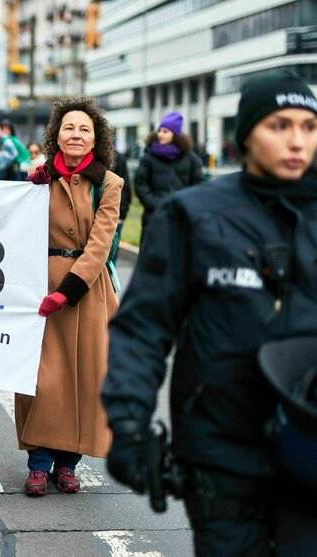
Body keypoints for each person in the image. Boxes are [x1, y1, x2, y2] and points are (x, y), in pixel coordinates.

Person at [103, 70, 317, 556]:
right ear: (246, 134)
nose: (297, 140)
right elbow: (143, 330)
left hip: (309, 451)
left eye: (308, 126)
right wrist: (129, 425)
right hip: (221, 454)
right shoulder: (193, 215)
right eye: (279, 125)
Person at [17, 96, 123, 496]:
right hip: (39, 285)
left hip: (87, 292)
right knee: (43, 379)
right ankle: (38, 464)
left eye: (84, 129)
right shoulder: (38, 179)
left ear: (96, 139)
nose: (76, 134)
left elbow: (100, 244)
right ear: (56, 136)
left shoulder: (110, 184)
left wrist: (68, 292)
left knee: (81, 379)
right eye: (69, 128)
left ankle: (68, 464)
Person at [134, 111, 204, 244]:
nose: (160, 134)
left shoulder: (190, 158)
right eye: (159, 130)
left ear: (175, 134)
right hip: (154, 217)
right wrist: (155, 204)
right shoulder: (149, 156)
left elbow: (198, 183)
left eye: (165, 131)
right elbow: (140, 183)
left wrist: (185, 204)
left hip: (180, 217)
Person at [111, 148, 132, 263]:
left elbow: (125, 188)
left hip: (115, 214)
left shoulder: (118, 158)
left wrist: (121, 214)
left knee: (111, 253)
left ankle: (111, 279)